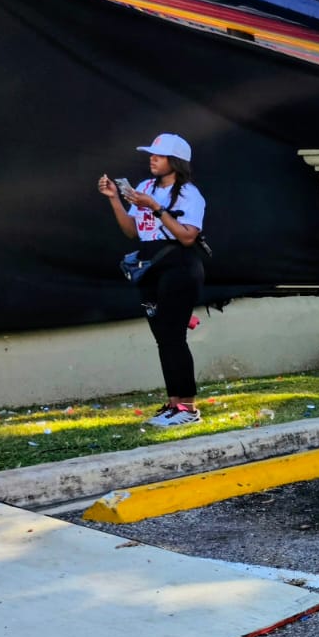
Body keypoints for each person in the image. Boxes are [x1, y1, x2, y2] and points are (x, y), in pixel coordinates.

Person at [96, 133, 208, 427]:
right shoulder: (145, 187)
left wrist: (155, 208)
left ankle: (188, 408)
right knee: (163, 338)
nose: (152, 159)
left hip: (179, 266)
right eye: (151, 155)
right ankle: (174, 403)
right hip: (150, 267)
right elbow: (133, 232)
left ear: (176, 161)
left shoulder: (189, 194)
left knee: (174, 336)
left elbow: (187, 236)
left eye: (159, 155)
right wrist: (115, 200)